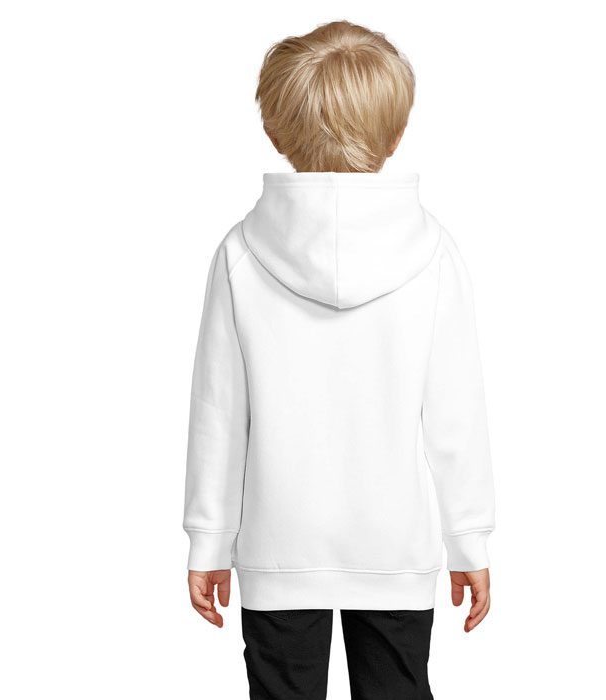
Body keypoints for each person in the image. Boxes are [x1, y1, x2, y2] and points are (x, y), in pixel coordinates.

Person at [183, 19, 496, 700]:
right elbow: (457, 418)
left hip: (277, 543)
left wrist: (209, 539)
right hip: (393, 545)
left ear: (276, 129)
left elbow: (218, 416)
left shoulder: (241, 253)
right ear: (396, 133)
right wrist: (468, 539)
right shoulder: (433, 254)